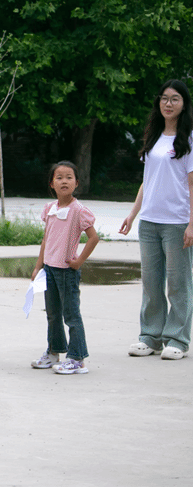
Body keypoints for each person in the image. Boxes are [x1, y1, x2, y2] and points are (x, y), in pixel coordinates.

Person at [120, 79, 193, 361]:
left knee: (178, 284)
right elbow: (147, 181)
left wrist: (191, 224)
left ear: (184, 104)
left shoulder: (188, 140)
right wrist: (132, 214)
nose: (168, 103)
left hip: (177, 222)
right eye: (164, 98)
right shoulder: (154, 137)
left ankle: (177, 339)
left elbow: (192, 185)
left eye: (175, 99)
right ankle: (150, 337)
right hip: (149, 222)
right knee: (151, 284)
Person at [29, 162, 99, 374]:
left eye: (69, 177)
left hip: (67, 271)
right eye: (59, 177)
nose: (64, 181)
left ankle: (77, 358)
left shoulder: (79, 210)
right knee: (52, 314)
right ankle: (54, 351)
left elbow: (94, 238)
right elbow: (46, 239)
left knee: (71, 315)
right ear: (52, 184)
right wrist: (38, 266)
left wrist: (79, 261)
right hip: (49, 269)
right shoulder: (50, 209)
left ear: (76, 183)